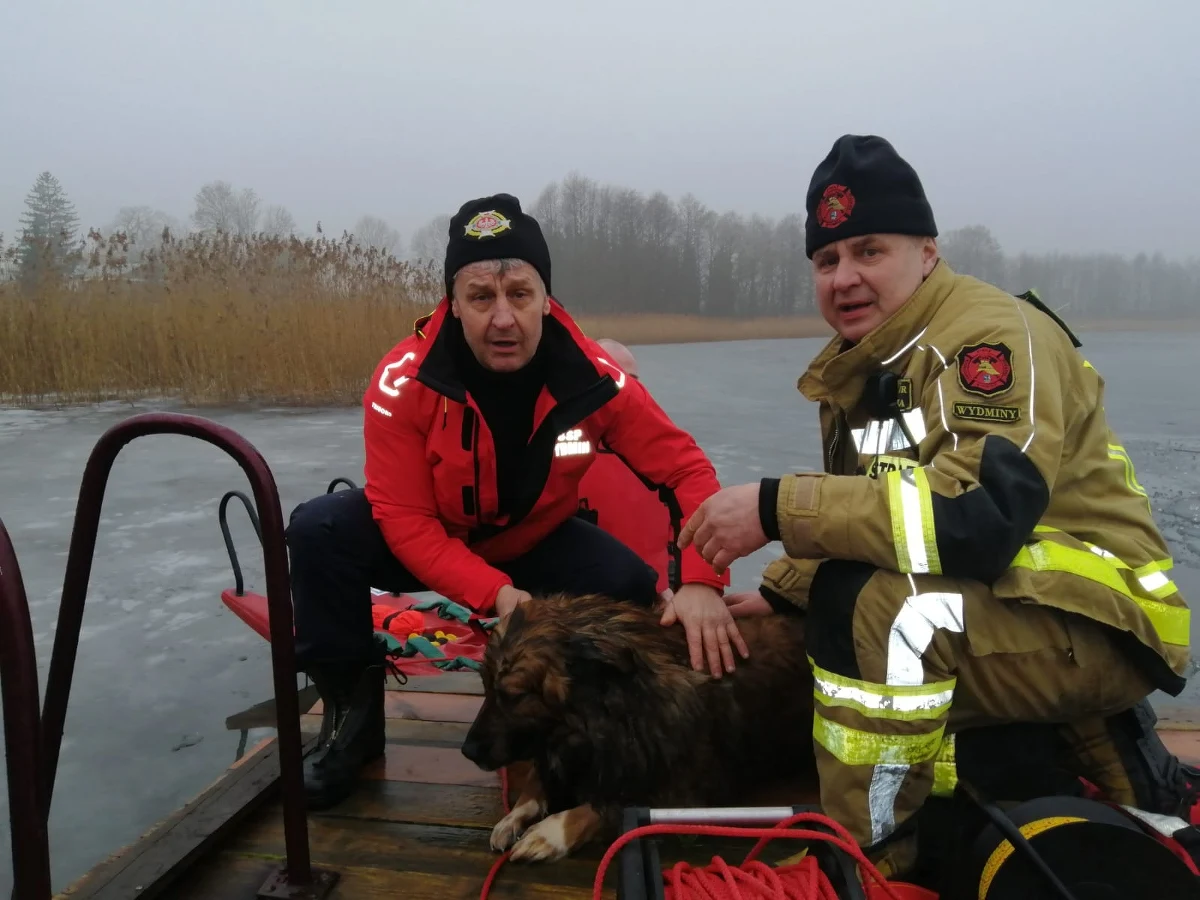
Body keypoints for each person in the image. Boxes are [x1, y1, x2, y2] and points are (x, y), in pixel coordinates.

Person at [679, 134, 1194, 875]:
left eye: (868, 250)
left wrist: (774, 508)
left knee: (884, 614)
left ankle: (868, 859)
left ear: (927, 251)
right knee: (842, 601)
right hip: (1022, 605)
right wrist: (786, 591)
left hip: (1105, 621)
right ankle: (1065, 755)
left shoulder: (987, 340)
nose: (845, 277)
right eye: (827, 261)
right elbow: (885, 520)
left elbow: (976, 516)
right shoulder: (872, 364)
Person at [285, 193, 737, 809]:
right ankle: (352, 726)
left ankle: (599, 740)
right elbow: (406, 520)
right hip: (428, 539)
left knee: (631, 584)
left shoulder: (597, 377)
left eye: (519, 294)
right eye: (481, 297)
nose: (503, 318)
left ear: (545, 301)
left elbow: (685, 470)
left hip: (536, 535)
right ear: (453, 305)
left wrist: (703, 581)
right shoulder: (401, 381)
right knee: (319, 531)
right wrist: (496, 595)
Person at [576, 339, 676, 597]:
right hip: (582, 603)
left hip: (659, 600)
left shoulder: (667, 452)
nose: (623, 389)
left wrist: (688, 590)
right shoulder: (553, 451)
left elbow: (692, 531)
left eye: (632, 380)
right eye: (611, 377)